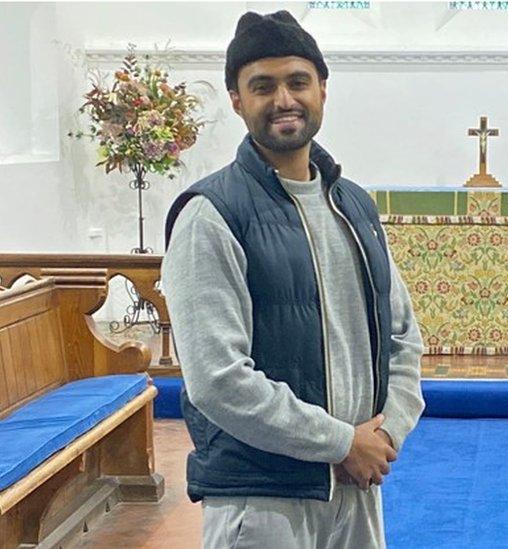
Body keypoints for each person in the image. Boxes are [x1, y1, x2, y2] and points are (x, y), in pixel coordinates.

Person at [161, 10, 424, 549]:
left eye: (298, 81)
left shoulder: (355, 207)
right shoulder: (211, 215)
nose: (284, 99)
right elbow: (217, 378)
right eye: (263, 86)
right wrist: (339, 443)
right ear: (237, 100)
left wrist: (384, 434)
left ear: (323, 89)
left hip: (355, 489)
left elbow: (403, 338)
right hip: (262, 500)